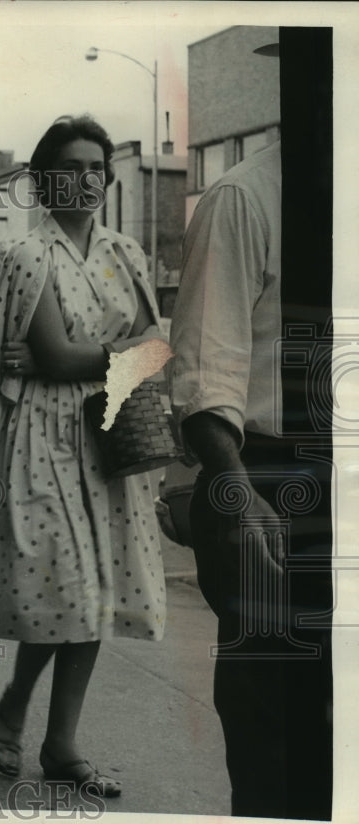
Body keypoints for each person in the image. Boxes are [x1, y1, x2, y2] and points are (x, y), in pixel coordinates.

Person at [0, 115, 167, 796]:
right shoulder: (31, 256)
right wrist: (109, 354)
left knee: (96, 592)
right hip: (47, 442)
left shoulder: (127, 254)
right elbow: (51, 358)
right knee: (70, 590)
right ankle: (21, 708)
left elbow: (153, 348)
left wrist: (97, 357)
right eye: (70, 168)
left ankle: (56, 740)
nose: (85, 179)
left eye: (95, 167)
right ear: (43, 182)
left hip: (109, 435)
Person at [169, 132, 333, 817]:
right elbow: (206, 371)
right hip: (266, 476)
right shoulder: (244, 196)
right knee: (276, 722)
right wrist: (238, 494)